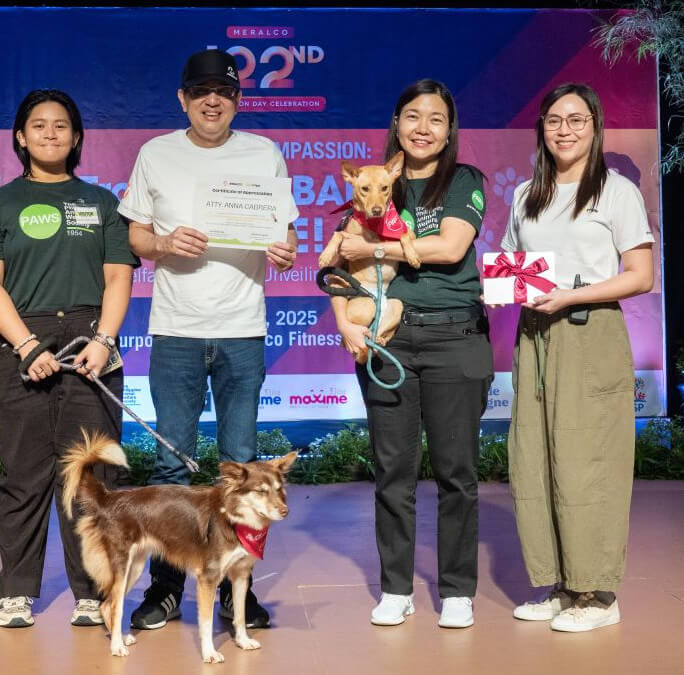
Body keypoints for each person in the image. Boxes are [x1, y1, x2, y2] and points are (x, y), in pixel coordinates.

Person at [118, 48, 299, 631]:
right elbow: (137, 237)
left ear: (238, 99)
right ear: (183, 99)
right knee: (171, 465)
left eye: (223, 91)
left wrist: (285, 250)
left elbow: (287, 236)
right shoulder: (156, 153)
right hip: (176, 330)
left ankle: (235, 592)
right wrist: (165, 243)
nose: (212, 101)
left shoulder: (263, 153)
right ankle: (167, 586)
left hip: (243, 329)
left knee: (243, 468)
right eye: (200, 92)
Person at [0, 89, 139, 629]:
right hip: (20, 342)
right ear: (20, 136)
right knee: (24, 474)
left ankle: (92, 591)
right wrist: (27, 345)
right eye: (38, 125)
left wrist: (103, 340)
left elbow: (119, 276)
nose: (49, 133)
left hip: (91, 342)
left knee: (90, 474)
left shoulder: (103, 203)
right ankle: (17, 591)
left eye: (61, 125)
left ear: (77, 136)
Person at [332, 79, 492, 629]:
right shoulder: (373, 184)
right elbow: (338, 267)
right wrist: (345, 324)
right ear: (396, 126)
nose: (423, 127)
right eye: (413, 117)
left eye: (436, 119)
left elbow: (449, 247)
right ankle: (396, 589)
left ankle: (457, 591)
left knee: (456, 473)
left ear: (449, 131)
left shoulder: (463, 181)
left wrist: (372, 246)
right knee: (392, 473)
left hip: (454, 338)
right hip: (388, 337)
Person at [501, 83, 654, 632]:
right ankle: (561, 585)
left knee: (590, 461)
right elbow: (513, 263)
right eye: (554, 120)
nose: (564, 130)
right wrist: (499, 286)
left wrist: (570, 295)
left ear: (594, 126)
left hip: (590, 331)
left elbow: (641, 275)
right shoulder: (525, 194)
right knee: (536, 457)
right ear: (541, 128)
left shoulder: (616, 191)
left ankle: (600, 594)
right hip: (534, 335)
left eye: (576, 119)